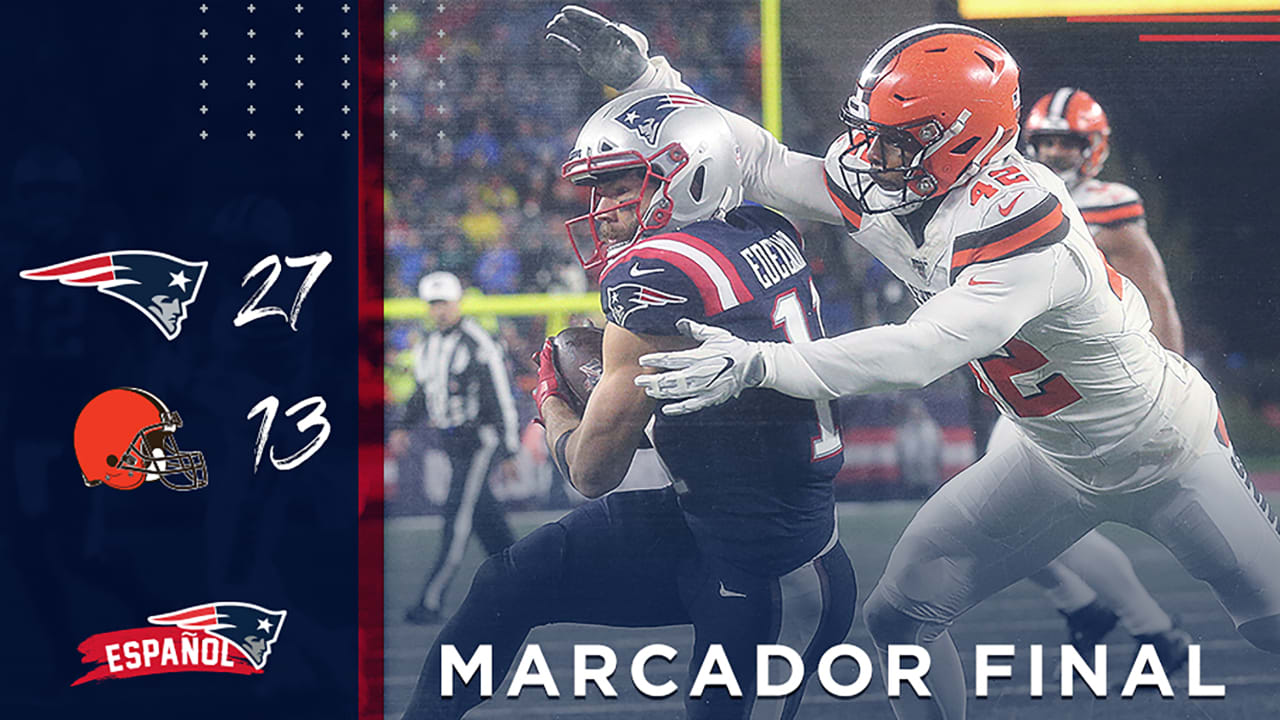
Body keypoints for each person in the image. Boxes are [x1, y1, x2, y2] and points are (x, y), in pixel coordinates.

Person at [557, 16, 1280, 719]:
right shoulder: (905, 178)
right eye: (869, 132)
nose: (868, 155)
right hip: (1053, 457)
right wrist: (652, 84)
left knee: (1270, 623)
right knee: (902, 617)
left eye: (894, 141)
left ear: (960, 141)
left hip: (1165, 450)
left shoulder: (1023, 221)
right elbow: (761, 162)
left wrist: (759, 365)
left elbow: (922, 350)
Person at [401, 89, 856, 720]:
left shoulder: (658, 276)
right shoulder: (763, 228)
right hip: (712, 522)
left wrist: (551, 400)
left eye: (623, 187)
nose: (604, 209)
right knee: (508, 580)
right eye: (600, 189)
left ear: (689, 177)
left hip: (774, 570)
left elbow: (591, 472)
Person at [1004, 87, 1191, 662]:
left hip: (1084, 383)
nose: (1055, 151)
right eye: (1047, 140)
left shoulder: (1108, 202)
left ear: (1094, 147)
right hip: (1030, 376)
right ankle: (1116, 618)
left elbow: (1155, 288)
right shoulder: (1015, 193)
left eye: (1067, 141)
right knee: (1008, 520)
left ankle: (1133, 621)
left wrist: (1172, 372)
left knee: (1010, 513)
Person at [391, 271, 519, 625]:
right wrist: (402, 426)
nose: (439, 310)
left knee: (456, 518)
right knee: (487, 521)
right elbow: (423, 392)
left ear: (457, 302)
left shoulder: (477, 342)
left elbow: (500, 396)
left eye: (444, 302)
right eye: (433, 304)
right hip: (450, 441)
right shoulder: (428, 345)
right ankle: (526, 579)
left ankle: (431, 601)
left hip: (478, 440)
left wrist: (509, 449)